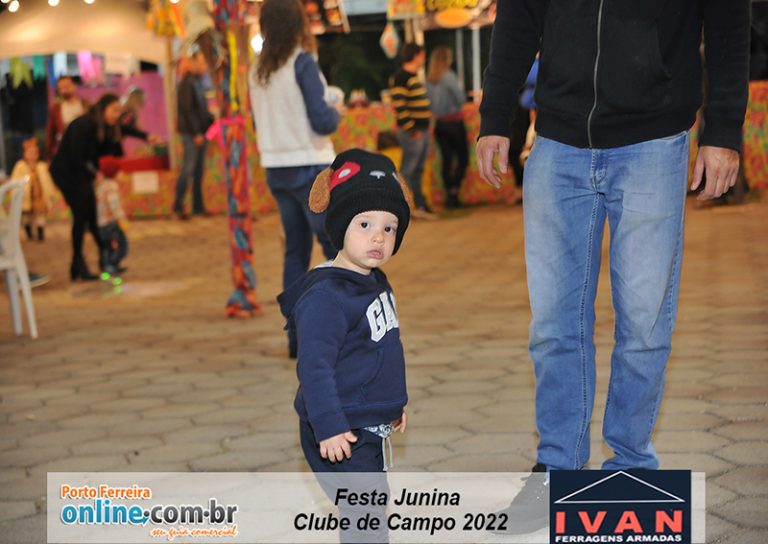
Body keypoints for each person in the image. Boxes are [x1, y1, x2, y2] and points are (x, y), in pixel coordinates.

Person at [476, 0, 750, 534]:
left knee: (644, 324)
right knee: (552, 326)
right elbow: (518, 15)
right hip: (557, 140)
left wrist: (723, 128)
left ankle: (630, 470)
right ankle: (558, 470)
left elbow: (727, 20)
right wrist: (495, 115)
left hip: (654, 140)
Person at [277, 149, 410, 542]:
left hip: (365, 419)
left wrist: (393, 404)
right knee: (365, 512)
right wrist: (329, 426)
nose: (378, 237)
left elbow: (382, 348)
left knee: (370, 507)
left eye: (389, 228)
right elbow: (314, 368)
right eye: (365, 224)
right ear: (339, 225)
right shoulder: (327, 298)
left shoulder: (372, 280)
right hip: (341, 426)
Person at [249, 0, 342, 358]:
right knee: (336, 249)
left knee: (295, 251)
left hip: (276, 168)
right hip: (310, 166)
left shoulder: (257, 70)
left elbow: (258, 122)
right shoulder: (301, 62)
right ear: (298, 23)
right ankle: (344, 331)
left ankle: (297, 338)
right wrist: (336, 111)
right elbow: (322, 120)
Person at [50, 93, 149, 281]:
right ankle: (80, 264)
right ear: (103, 109)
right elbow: (76, 157)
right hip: (66, 173)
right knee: (82, 216)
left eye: (119, 111)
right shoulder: (84, 125)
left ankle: (98, 261)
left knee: (90, 215)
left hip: (81, 173)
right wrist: (95, 174)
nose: (117, 115)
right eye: (114, 110)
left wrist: (146, 136)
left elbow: (125, 129)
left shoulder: (105, 127)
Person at [389, 43, 436, 219]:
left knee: (418, 170)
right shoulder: (402, 77)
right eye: (422, 55)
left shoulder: (413, 77)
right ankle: (402, 208)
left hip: (420, 130)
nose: (424, 58)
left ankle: (419, 205)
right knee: (408, 170)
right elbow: (399, 106)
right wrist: (410, 128)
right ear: (415, 55)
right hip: (413, 131)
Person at [426, 46, 468, 209]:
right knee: (462, 158)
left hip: (440, 124)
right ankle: (454, 191)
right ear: (446, 59)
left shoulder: (429, 80)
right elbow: (461, 97)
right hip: (455, 123)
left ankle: (449, 193)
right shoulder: (449, 76)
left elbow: (429, 104)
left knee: (447, 159)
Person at [174, 51, 214, 219]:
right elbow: (188, 111)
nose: (204, 66)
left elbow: (200, 110)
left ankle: (198, 206)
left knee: (198, 171)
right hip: (192, 134)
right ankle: (178, 206)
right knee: (188, 169)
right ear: (192, 63)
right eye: (202, 62)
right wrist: (197, 132)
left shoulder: (197, 82)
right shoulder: (187, 83)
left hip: (200, 133)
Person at [10, 138, 55, 242]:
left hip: (39, 198)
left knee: (40, 217)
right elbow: (15, 181)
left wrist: (50, 195)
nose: (32, 156)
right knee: (27, 218)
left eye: (34, 153)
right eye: (29, 153)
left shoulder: (42, 166)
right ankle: (29, 232)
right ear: (24, 154)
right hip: (26, 198)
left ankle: (40, 234)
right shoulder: (20, 166)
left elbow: (47, 182)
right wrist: (17, 194)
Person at [95, 156, 129, 276]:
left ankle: (109, 266)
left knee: (108, 247)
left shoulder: (102, 185)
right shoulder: (111, 187)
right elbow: (114, 206)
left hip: (101, 223)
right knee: (121, 247)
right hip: (110, 223)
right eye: (120, 171)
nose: (122, 174)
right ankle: (111, 266)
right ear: (114, 172)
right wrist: (122, 219)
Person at [45, 75, 87, 160]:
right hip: (66, 150)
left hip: (85, 148)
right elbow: (50, 133)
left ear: (74, 86)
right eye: (61, 87)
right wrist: (49, 155)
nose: (64, 90)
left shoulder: (85, 105)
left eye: (67, 86)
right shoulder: (56, 109)